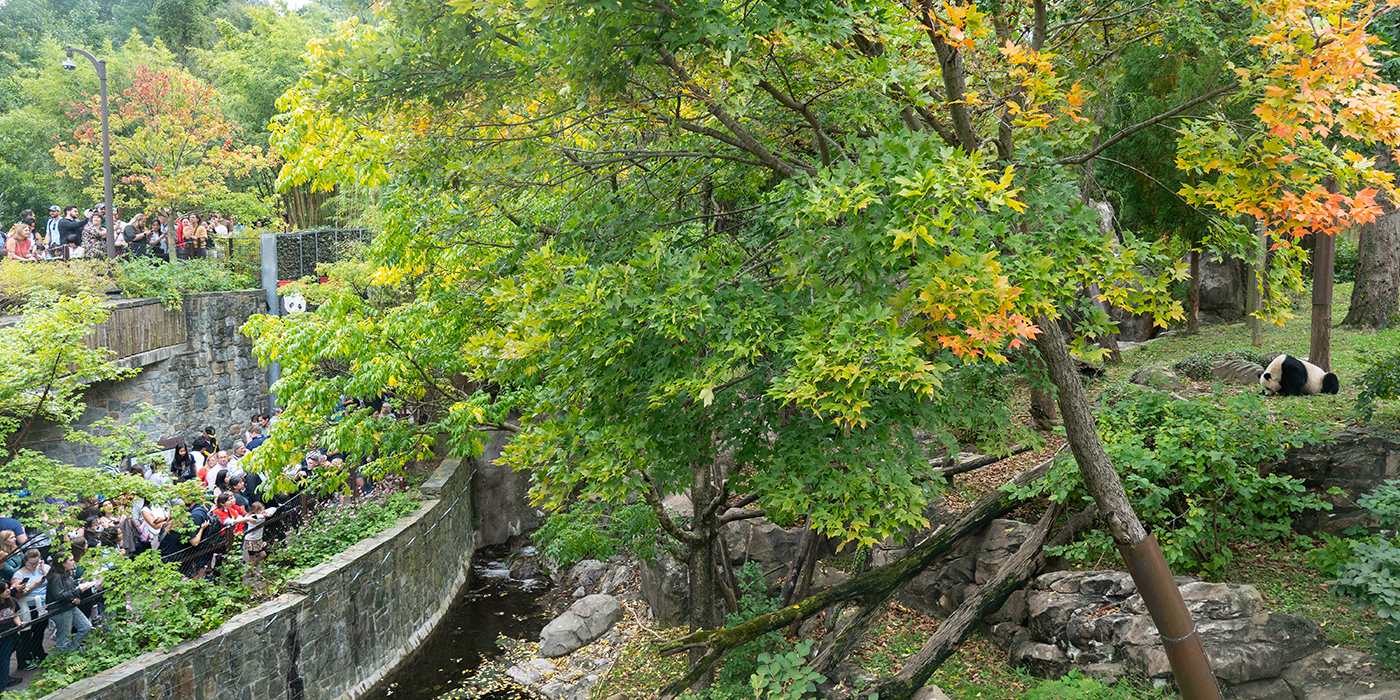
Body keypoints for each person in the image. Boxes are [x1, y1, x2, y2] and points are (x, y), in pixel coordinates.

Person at [10, 549, 48, 670]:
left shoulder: (43, 568)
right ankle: (24, 660)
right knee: (26, 634)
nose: (33, 567)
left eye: (36, 563)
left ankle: (37, 652)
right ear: (25, 562)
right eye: (31, 564)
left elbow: (52, 579)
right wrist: (33, 586)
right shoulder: (18, 575)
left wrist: (43, 570)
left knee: (39, 632)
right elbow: (16, 595)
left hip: (42, 605)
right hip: (28, 607)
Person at [46, 556, 91, 653]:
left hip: (69, 606)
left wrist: (79, 584)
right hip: (60, 609)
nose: (73, 562)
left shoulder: (66, 573)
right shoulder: (56, 576)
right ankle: (63, 660)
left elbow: (69, 587)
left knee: (85, 626)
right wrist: (78, 591)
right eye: (70, 560)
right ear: (63, 563)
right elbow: (59, 595)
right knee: (64, 637)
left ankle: (71, 651)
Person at [0, 581, 25, 689]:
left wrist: (19, 623)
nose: (8, 591)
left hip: (8, 636)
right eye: (4, 589)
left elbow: (14, 615)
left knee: (5, 661)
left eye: (8, 588)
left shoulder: (11, 601)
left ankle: (2, 687)